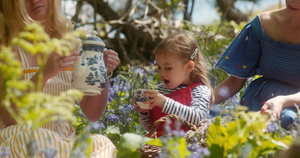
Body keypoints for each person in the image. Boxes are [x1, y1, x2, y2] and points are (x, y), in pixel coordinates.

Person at [0, 0, 119, 157]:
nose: (34, 1)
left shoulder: (71, 43)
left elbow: (93, 113)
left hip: (65, 142)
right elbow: (9, 118)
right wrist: (44, 73)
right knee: (32, 138)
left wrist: (101, 71)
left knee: (102, 143)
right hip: (21, 137)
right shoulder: (6, 48)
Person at [214, 0, 300, 129]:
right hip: (255, 104)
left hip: (294, 109)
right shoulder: (263, 25)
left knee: (286, 120)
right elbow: (235, 80)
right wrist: (202, 103)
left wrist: (282, 101)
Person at [134, 33, 214, 137]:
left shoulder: (200, 90)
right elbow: (151, 127)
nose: (162, 73)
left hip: (184, 145)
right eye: (159, 67)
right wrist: (144, 113)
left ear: (189, 67)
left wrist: (165, 103)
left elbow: (197, 118)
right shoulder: (161, 91)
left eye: (168, 68)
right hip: (156, 146)